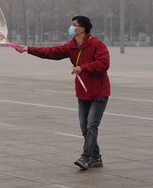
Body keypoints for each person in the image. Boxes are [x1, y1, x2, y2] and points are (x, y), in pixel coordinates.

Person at [13, 15, 110, 170]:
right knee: (84, 126)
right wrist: (28, 49)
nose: (71, 27)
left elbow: (104, 63)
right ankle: (96, 157)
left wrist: (83, 67)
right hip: (82, 92)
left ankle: (86, 158)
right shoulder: (71, 46)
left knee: (92, 125)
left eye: (74, 25)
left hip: (99, 92)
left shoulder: (97, 44)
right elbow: (51, 52)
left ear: (82, 29)